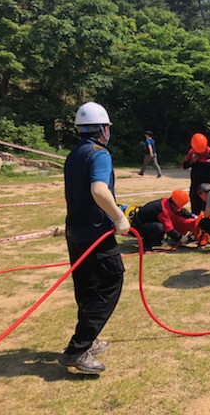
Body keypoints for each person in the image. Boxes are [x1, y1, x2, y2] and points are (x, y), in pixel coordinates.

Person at [59, 101, 131, 374]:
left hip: (75, 233)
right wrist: (118, 217)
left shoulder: (74, 154)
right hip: (96, 234)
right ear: (103, 129)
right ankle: (78, 349)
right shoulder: (99, 154)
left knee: (87, 288)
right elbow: (99, 190)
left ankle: (85, 341)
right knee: (111, 280)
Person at [130, 190, 195, 251]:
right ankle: (146, 244)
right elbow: (169, 229)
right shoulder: (163, 210)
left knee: (159, 225)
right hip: (137, 227)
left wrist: (193, 216)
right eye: (178, 207)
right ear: (173, 203)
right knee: (159, 226)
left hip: (147, 223)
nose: (178, 209)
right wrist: (181, 238)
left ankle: (156, 241)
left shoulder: (166, 202)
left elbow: (181, 211)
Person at [181, 133, 210, 215]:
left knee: (206, 210)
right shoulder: (192, 153)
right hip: (195, 186)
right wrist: (191, 161)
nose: (200, 153)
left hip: (207, 188)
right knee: (195, 211)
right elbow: (183, 166)